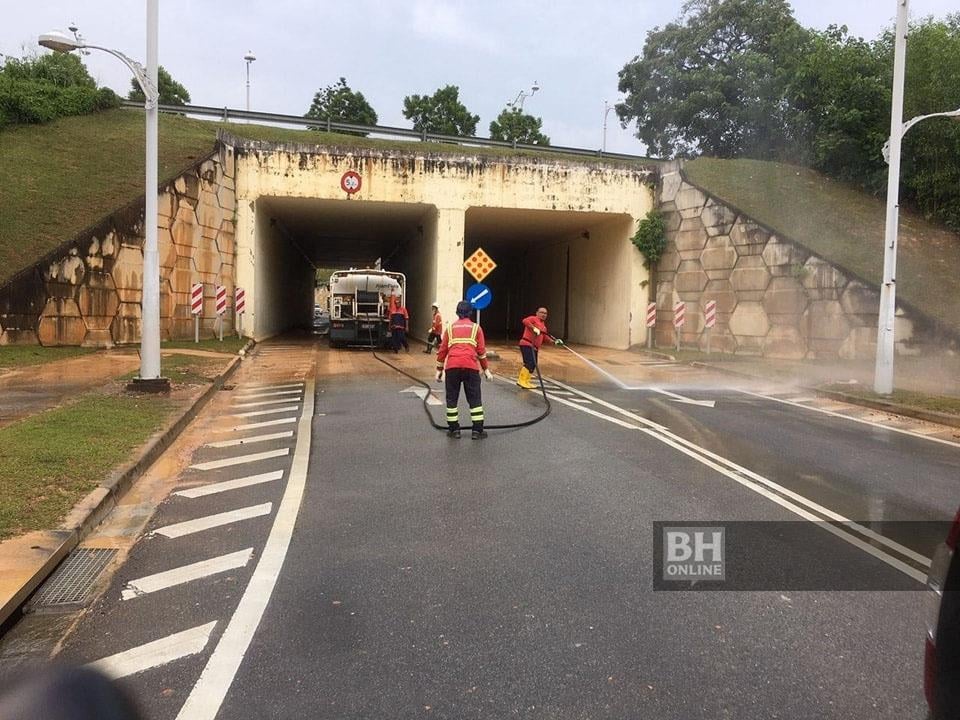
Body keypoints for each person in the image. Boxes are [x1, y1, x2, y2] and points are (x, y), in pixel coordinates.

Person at [435, 301, 493, 439]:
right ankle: (477, 431)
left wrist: (439, 369)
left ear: (457, 312)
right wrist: (486, 370)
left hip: (452, 367)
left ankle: (454, 430)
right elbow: (481, 352)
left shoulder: (450, 328)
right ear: (470, 313)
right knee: (474, 399)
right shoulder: (476, 328)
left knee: (451, 399)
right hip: (471, 367)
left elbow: (442, 350)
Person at [516, 306, 563, 389]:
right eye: (542, 312)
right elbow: (525, 321)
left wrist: (554, 342)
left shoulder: (543, 326)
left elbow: (545, 337)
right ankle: (521, 380)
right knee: (529, 362)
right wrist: (534, 328)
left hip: (534, 347)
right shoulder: (533, 319)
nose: (544, 314)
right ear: (537, 313)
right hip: (527, 344)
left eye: (545, 313)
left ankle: (526, 381)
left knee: (534, 364)